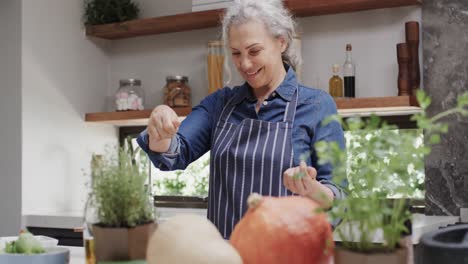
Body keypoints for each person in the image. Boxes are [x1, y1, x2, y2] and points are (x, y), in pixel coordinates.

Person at [137, 0, 346, 239]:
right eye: (236, 53)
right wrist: (160, 130)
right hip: (224, 255)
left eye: (254, 51)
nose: (244, 64)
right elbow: (176, 152)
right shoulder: (220, 104)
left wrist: (315, 191)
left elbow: (338, 194)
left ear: (281, 42)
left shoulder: (317, 105)